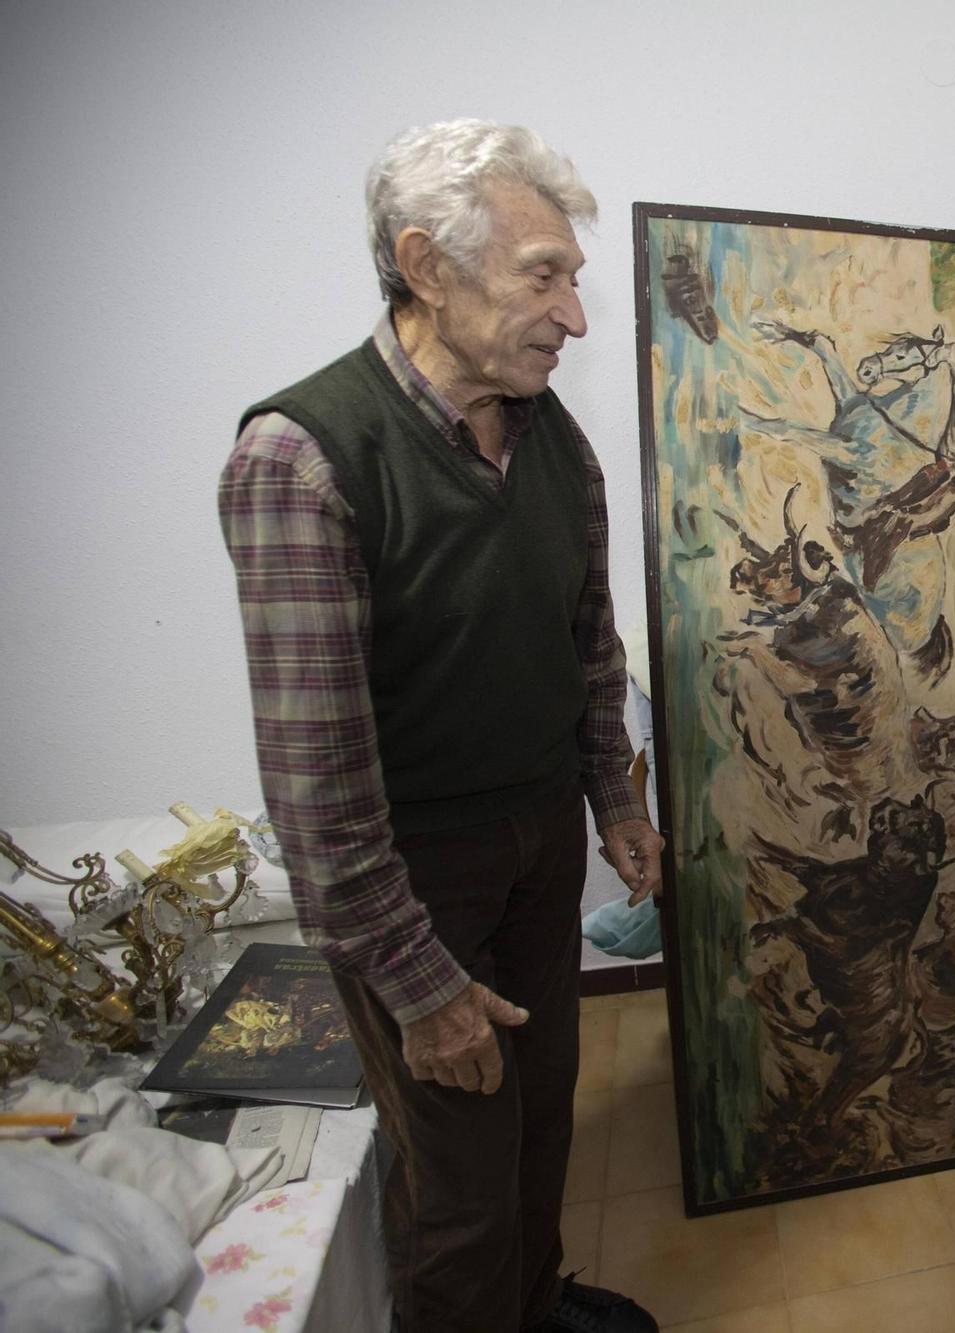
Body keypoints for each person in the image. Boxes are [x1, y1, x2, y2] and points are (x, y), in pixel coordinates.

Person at [219, 119, 662, 1333]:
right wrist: (420, 986)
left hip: (534, 838)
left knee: (540, 1118)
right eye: (545, 276)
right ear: (424, 265)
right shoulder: (303, 458)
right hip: (408, 871)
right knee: (457, 1183)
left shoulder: (547, 434)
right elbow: (315, 787)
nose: (575, 316)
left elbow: (587, 645)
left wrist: (612, 803)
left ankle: (527, 1307)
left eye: (570, 278)